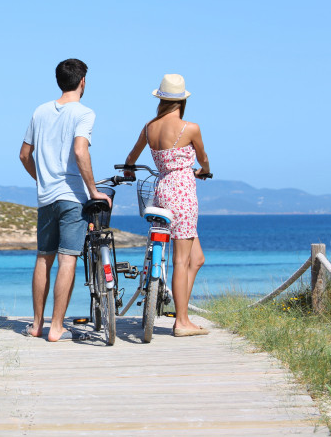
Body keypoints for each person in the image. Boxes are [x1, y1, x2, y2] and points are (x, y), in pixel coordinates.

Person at [19, 58, 112, 342]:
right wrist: (94, 190)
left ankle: (36, 324)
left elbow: (24, 155)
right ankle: (56, 327)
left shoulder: (40, 111)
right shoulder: (84, 113)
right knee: (67, 258)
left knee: (43, 258)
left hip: (46, 198)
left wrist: (42, 179)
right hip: (72, 196)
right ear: (83, 81)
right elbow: (81, 151)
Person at [123, 73, 211, 337]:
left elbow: (131, 156)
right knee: (181, 261)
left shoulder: (150, 127)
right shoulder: (190, 127)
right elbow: (204, 158)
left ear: (160, 98)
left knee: (196, 259)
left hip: (162, 191)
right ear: (182, 100)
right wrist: (203, 170)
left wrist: (129, 170)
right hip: (183, 192)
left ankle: (180, 309)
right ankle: (181, 321)